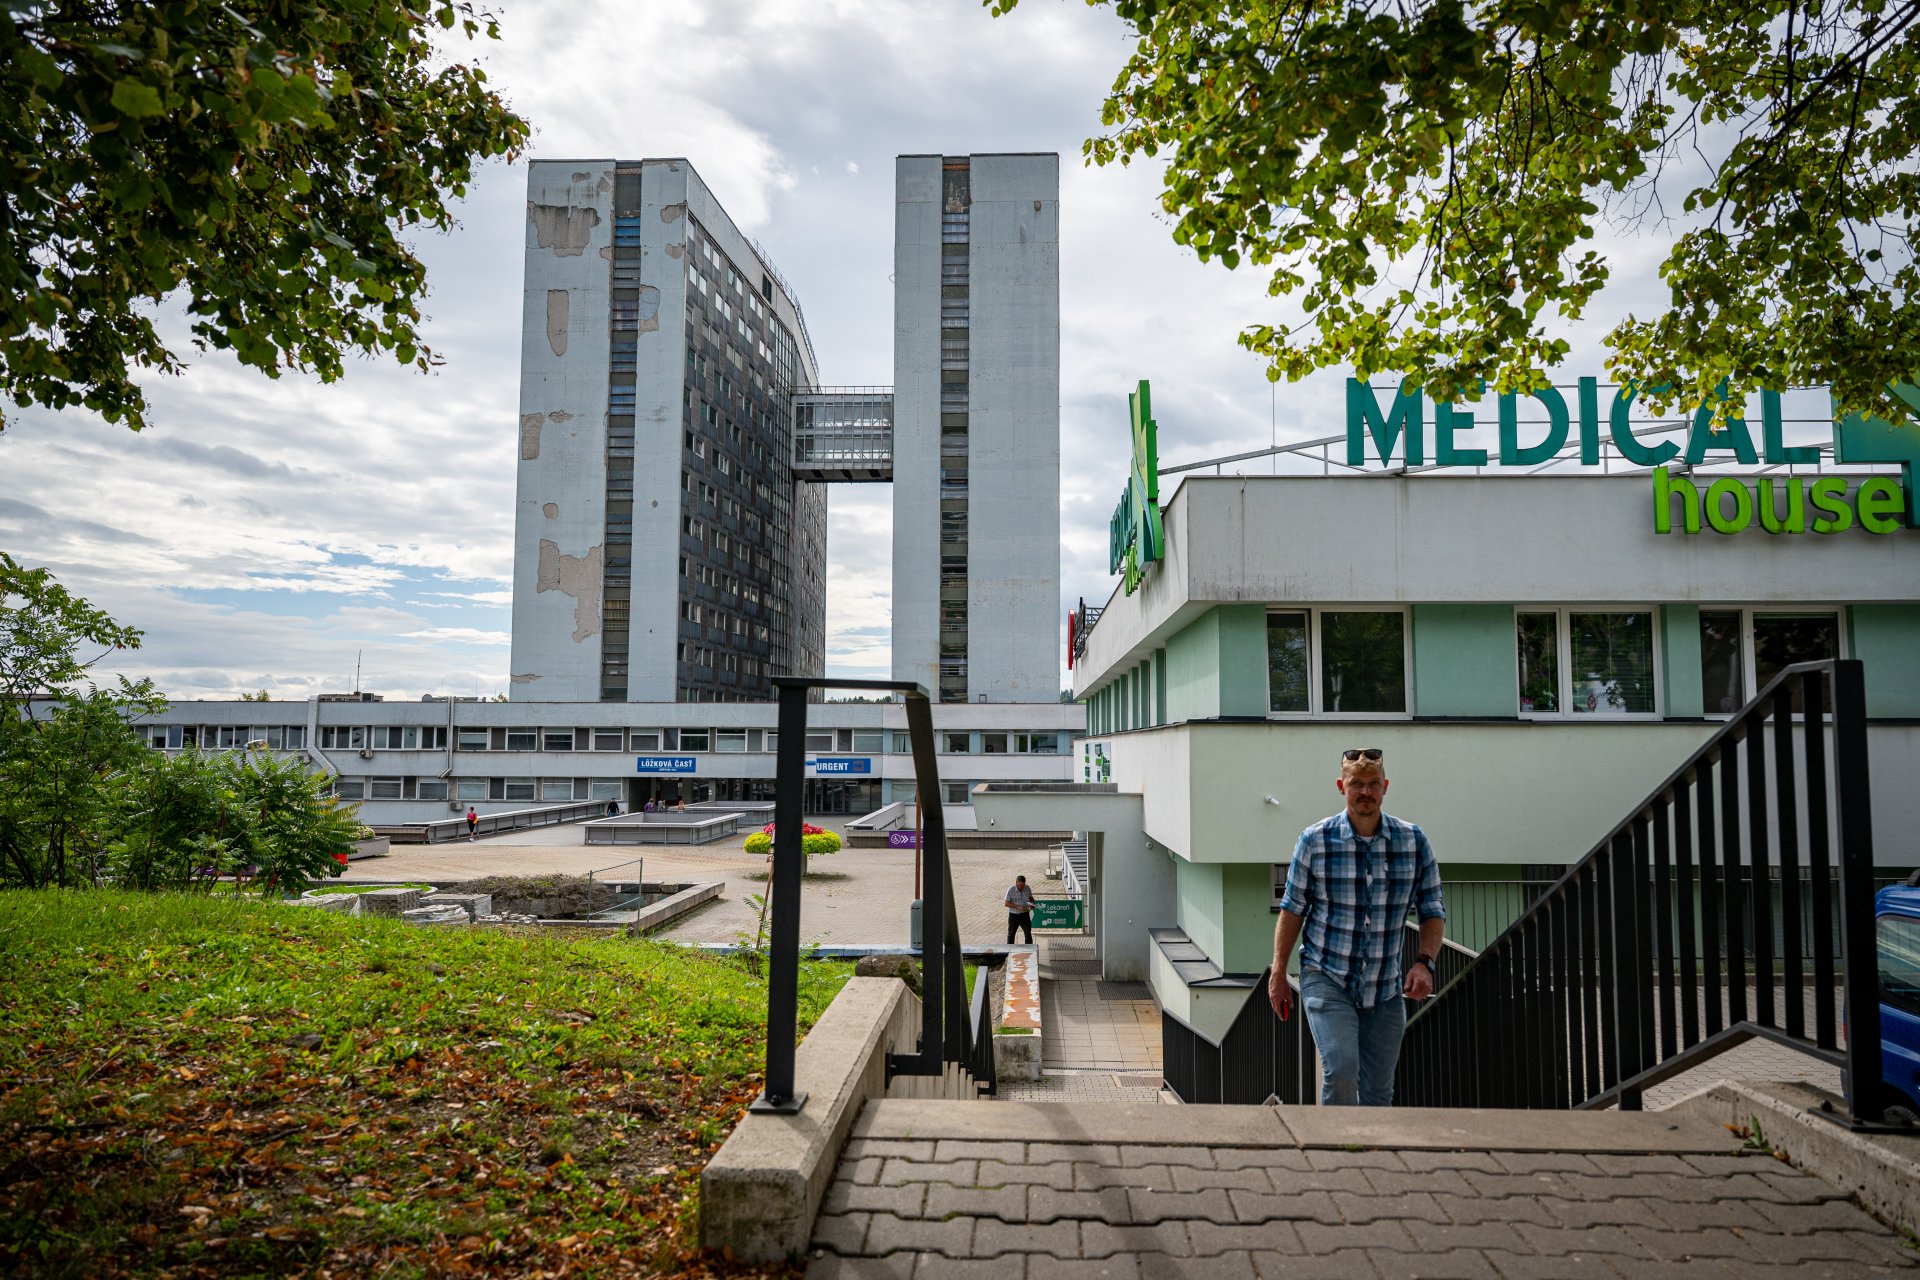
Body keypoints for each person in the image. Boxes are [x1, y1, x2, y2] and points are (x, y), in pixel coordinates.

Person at [1269, 748, 1445, 1107]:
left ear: (1385, 787)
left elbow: (1432, 909)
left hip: (1385, 987)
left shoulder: (1413, 842)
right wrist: (1278, 973)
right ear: (1341, 787)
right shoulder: (1315, 840)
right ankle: (1335, 1141)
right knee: (1341, 1070)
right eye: (1356, 784)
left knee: (1379, 1091)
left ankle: (1369, 1145)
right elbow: (1292, 909)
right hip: (1327, 975)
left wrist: (1424, 962)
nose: (1365, 792)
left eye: (1373, 784)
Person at [1004, 874, 1036, 945]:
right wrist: (1018, 907)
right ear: (1016, 883)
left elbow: (1031, 898)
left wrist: (1032, 903)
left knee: (1028, 933)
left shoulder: (1027, 888)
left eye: (1023, 885)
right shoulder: (1011, 890)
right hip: (1014, 915)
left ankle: (1029, 949)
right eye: (1020, 885)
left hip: (1025, 915)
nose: (1021, 887)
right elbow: (1006, 903)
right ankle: (1010, 949)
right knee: (1011, 934)